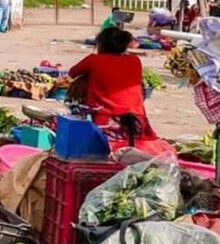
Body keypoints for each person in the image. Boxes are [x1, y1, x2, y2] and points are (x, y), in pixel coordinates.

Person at [68, 27, 173, 156]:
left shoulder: (93, 60)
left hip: (106, 122)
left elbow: (72, 73)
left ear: (101, 44)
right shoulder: (135, 60)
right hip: (137, 122)